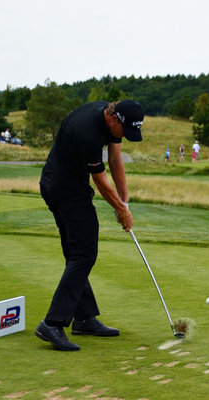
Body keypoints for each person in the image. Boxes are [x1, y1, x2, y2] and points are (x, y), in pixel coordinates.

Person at [36, 99, 144, 352]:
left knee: (77, 255)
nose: (125, 137)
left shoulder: (110, 116)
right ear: (114, 120)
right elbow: (100, 181)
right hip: (64, 188)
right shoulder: (88, 133)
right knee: (84, 254)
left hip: (66, 184)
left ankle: (83, 318)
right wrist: (120, 210)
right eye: (125, 132)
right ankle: (52, 323)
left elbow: (116, 160)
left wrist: (125, 201)